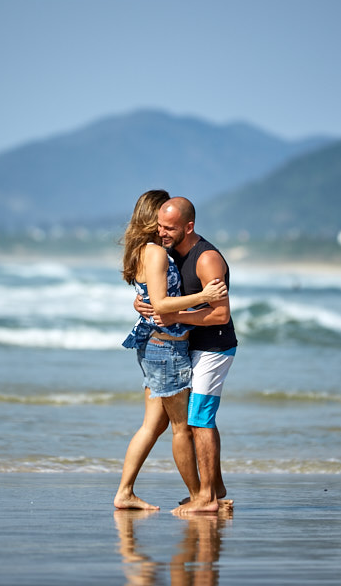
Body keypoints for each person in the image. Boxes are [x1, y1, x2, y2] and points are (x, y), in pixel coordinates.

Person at [114, 190, 228, 510]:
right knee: (182, 428)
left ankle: (125, 492)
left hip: (152, 345)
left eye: (171, 223)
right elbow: (161, 303)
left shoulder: (142, 251)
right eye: (162, 221)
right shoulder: (157, 253)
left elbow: (150, 299)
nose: (165, 227)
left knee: (154, 425)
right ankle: (199, 496)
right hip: (165, 350)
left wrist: (144, 304)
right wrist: (202, 295)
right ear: (154, 219)